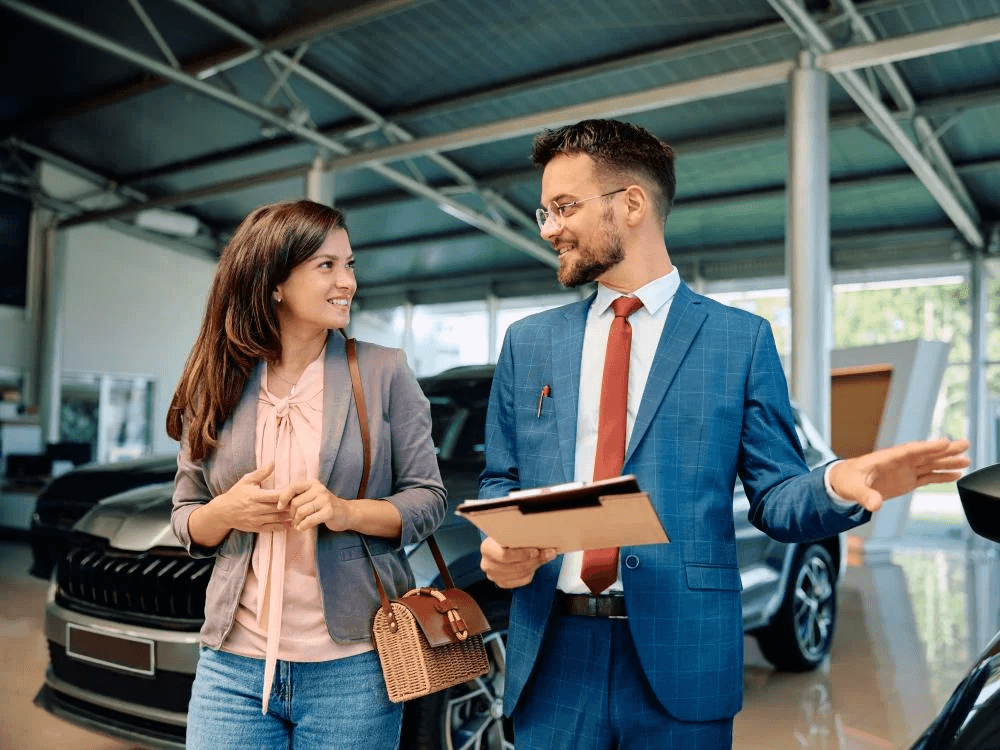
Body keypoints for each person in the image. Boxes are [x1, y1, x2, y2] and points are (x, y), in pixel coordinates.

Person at [477, 119, 970, 750]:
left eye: (564, 207)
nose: (548, 228)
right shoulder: (529, 342)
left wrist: (837, 483)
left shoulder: (739, 340)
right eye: (544, 210)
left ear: (631, 204)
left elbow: (775, 496)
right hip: (552, 660)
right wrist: (502, 545)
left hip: (684, 658)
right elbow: (503, 481)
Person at [167, 199, 446, 749]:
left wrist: (345, 512)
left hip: (353, 667)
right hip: (232, 666)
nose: (348, 282)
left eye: (350, 265)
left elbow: (429, 499)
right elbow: (185, 517)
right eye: (327, 266)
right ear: (274, 282)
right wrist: (224, 513)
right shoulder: (218, 380)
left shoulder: (383, 371)